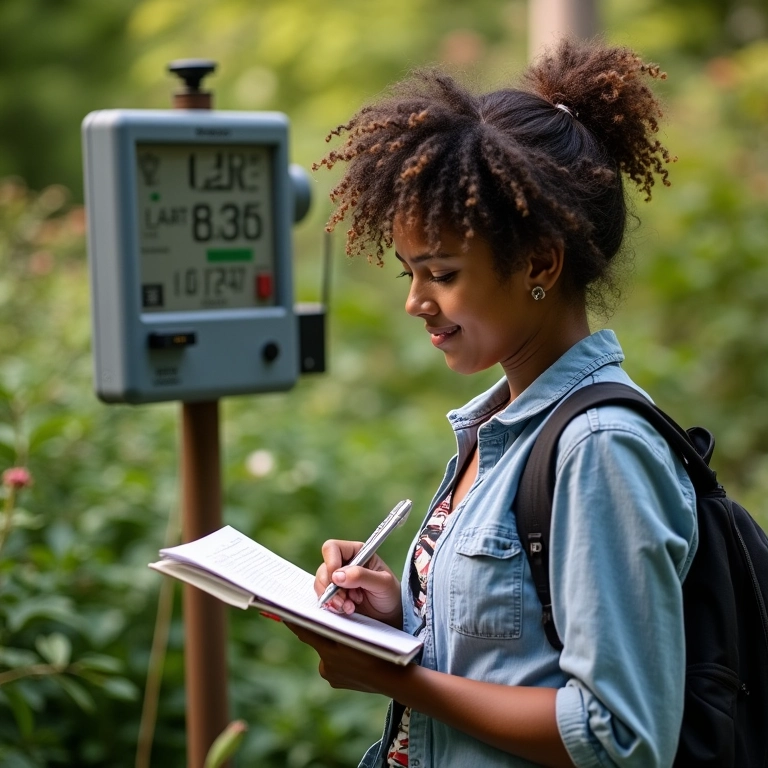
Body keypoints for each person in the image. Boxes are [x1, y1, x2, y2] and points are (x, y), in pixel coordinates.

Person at [289, 38, 698, 768]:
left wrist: (398, 679)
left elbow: (620, 738)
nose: (416, 302)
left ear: (540, 262)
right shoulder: (497, 429)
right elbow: (517, 655)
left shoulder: (599, 449)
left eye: (442, 274)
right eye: (409, 273)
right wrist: (399, 616)